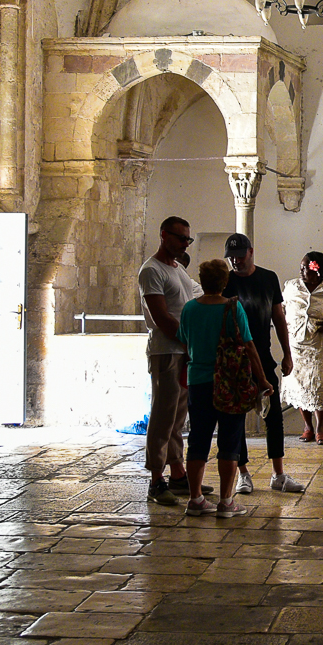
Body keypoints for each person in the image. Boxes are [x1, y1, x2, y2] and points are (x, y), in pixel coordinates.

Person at [179, 258, 271, 518]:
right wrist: (262, 380)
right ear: (225, 281)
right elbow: (250, 346)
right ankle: (226, 501)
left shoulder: (189, 309)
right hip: (230, 382)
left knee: (198, 439)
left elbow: (184, 344)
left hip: (198, 380)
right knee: (229, 441)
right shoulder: (233, 308)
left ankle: (195, 498)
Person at [221, 233, 299, 493]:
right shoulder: (226, 281)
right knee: (235, 418)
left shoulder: (268, 278)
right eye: (231, 257)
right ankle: (243, 473)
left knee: (274, 415)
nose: (235, 261)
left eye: (240, 256)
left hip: (263, 356)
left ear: (251, 252)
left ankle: (278, 474)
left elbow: (278, 316)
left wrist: (287, 353)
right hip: (234, 359)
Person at [138, 215, 203, 504]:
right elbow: (161, 317)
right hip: (167, 350)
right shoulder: (152, 270)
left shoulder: (178, 270)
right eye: (181, 238)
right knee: (163, 416)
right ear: (164, 235)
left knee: (178, 417)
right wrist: (189, 341)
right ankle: (156, 481)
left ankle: (178, 474)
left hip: (184, 351)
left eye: (188, 239)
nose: (185, 244)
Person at [284, 250, 323, 446]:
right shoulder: (291, 286)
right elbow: (281, 309)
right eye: (301, 267)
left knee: (319, 384)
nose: (302, 270)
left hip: (321, 345)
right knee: (300, 384)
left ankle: (320, 428)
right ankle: (308, 427)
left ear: (316, 268)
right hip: (297, 345)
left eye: (306, 267)